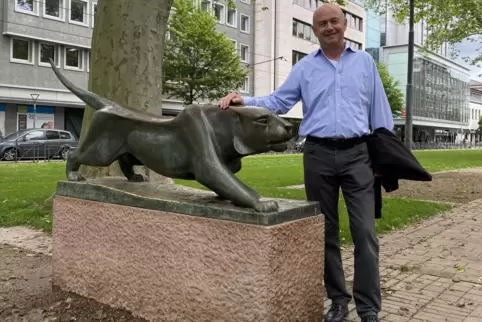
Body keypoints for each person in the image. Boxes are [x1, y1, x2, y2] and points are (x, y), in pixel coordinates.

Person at [218, 3, 394, 322]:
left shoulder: (366, 63)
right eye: (322, 23)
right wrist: (245, 100)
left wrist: (385, 158)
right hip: (318, 155)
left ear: (345, 25)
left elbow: (381, 114)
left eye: (334, 21)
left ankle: (369, 308)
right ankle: (338, 301)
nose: (329, 27)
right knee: (324, 232)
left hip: (359, 156)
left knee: (365, 233)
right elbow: (278, 101)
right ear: (314, 30)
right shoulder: (305, 68)